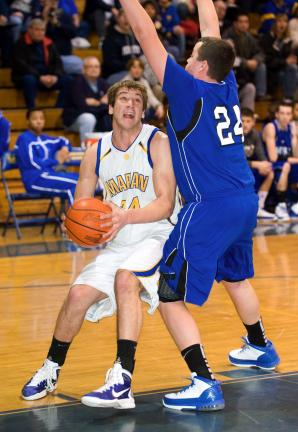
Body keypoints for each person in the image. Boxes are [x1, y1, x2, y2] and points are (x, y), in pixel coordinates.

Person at [119, 0, 280, 411]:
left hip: (210, 206)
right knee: (236, 277)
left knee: (169, 293)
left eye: (191, 57)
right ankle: (261, 347)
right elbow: (210, 26)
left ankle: (203, 382)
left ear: (201, 67)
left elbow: (145, 34)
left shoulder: (189, 88)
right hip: (244, 199)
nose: (187, 59)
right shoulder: (225, 84)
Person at [21, 80, 179, 409]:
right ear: (110, 108)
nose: (130, 105)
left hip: (156, 233)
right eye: (124, 99)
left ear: (143, 110)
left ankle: (122, 377)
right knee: (78, 295)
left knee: (126, 279)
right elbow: (81, 205)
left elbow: (165, 205)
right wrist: (77, 227)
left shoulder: (158, 142)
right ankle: (51, 368)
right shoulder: (96, 151)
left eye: (137, 100)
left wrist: (124, 217)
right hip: (119, 241)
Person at [14, 108, 78, 205]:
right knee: (77, 184)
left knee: (82, 180)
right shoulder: (24, 139)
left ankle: (71, 216)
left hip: (50, 174)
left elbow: (64, 140)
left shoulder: (46, 139)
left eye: (41, 118)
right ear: (28, 121)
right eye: (35, 119)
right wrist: (55, 161)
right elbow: (33, 164)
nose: (39, 121)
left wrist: (64, 148)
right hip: (35, 179)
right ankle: (75, 218)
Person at [11, 18, 70, 109]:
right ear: (30, 30)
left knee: (68, 79)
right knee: (29, 80)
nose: (40, 32)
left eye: (42, 30)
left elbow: (58, 62)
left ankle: (58, 109)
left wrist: (55, 76)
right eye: (37, 29)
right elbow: (22, 66)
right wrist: (39, 76)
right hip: (28, 76)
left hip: (47, 77)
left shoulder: (49, 43)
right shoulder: (20, 43)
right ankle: (32, 110)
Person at [63, 56, 111, 143]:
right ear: (83, 69)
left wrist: (97, 103)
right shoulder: (76, 83)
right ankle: (86, 150)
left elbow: (109, 104)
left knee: (111, 116)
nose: (94, 69)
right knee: (88, 118)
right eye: (90, 66)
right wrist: (101, 103)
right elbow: (81, 106)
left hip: (97, 116)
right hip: (74, 119)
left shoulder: (103, 83)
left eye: (96, 66)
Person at [263, 101, 298, 220]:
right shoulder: (271, 127)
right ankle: (281, 205)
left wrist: (294, 137)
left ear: (292, 115)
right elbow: (273, 157)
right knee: (286, 166)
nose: (285, 116)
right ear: (277, 114)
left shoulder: (292, 128)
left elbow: (296, 154)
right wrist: (291, 160)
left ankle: (294, 204)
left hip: (287, 163)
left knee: (288, 165)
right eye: (282, 113)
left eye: (288, 114)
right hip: (270, 165)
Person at [242, 108, 276, 219]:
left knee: (269, 172)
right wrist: (256, 164)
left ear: (253, 122)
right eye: (242, 121)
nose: (245, 125)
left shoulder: (255, 135)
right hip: (237, 169)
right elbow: (233, 162)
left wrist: (265, 165)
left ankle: (259, 207)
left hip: (249, 167)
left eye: (248, 121)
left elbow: (261, 155)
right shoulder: (234, 135)